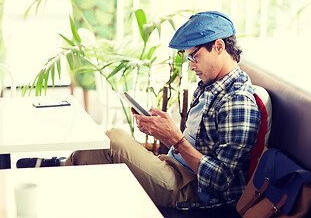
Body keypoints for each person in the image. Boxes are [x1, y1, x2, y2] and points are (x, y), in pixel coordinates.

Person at [17, 11, 261, 210]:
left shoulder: (237, 101)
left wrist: (174, 139)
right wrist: (167, 130)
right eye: (189, 60)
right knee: (102, 147)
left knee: (114, 140)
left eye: (194, 57)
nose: (192, 66)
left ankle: (53, 172)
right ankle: (57, 170)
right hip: (175, 167)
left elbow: (221, 180)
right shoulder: (211, 86)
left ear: (219, 46)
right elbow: (195, 142)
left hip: (196, 192)